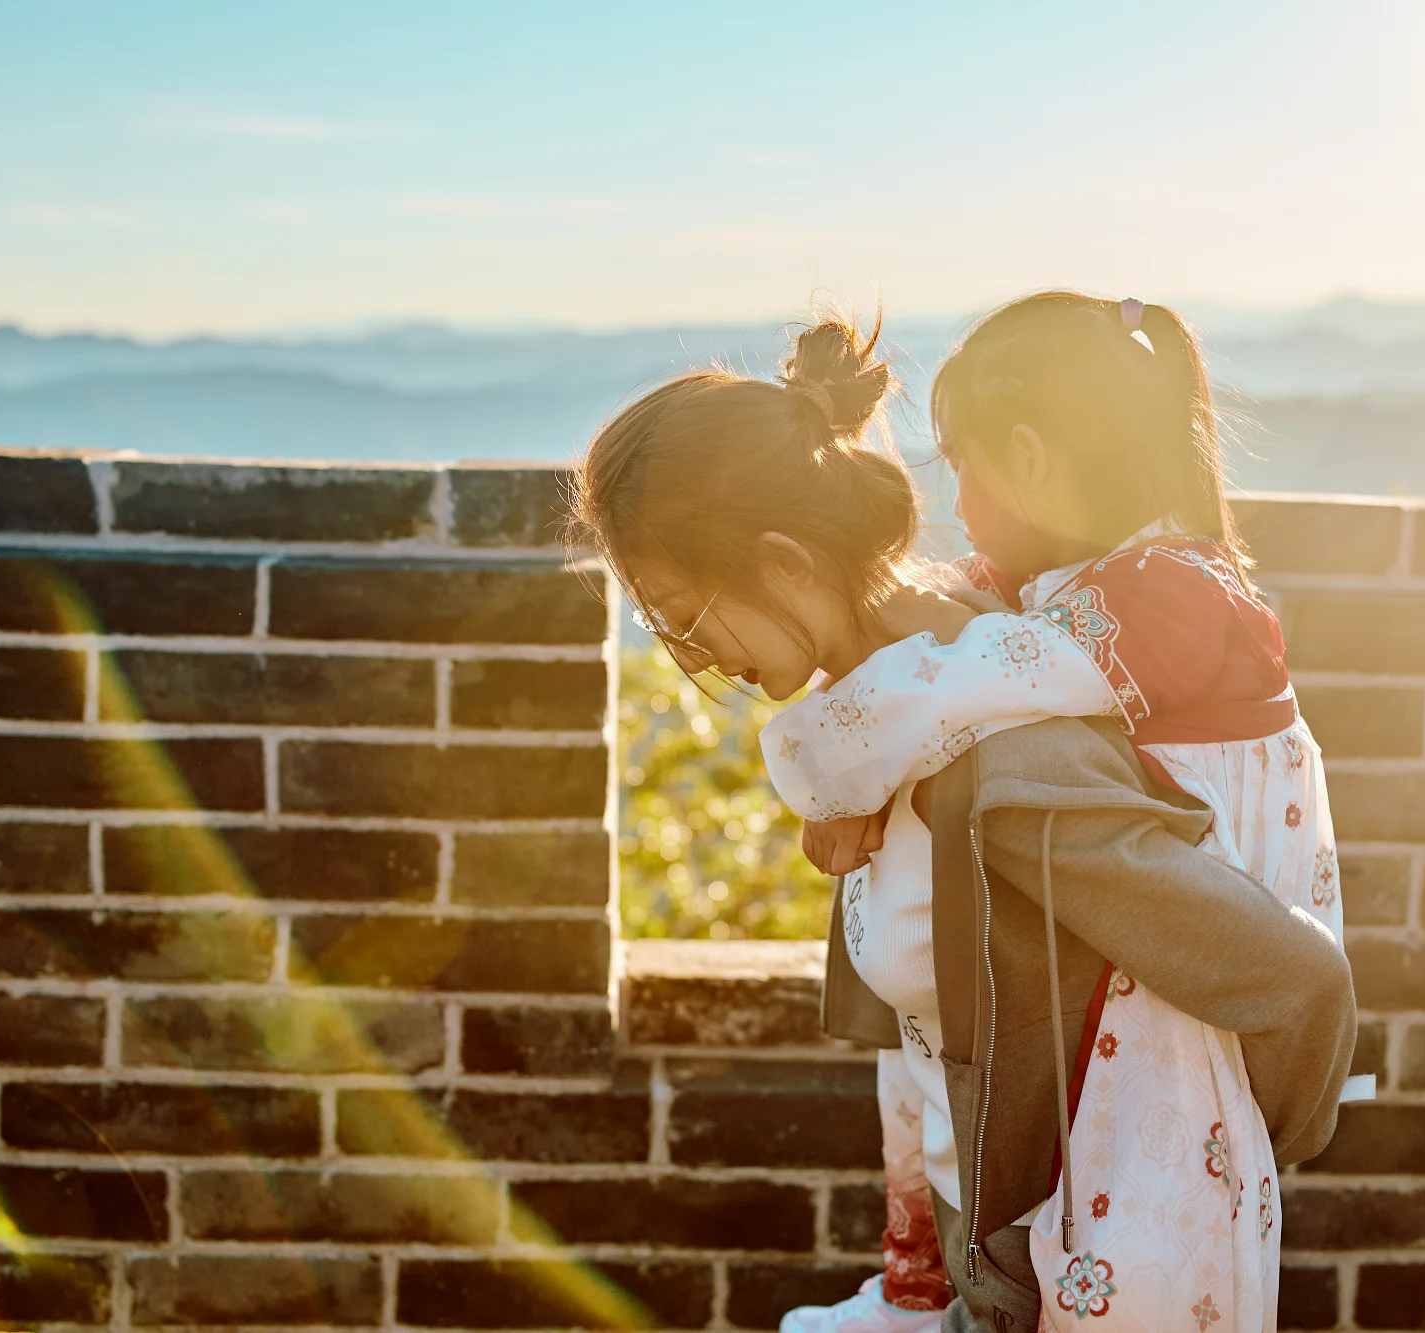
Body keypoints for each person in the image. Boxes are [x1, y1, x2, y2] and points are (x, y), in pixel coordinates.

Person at [566, 312, 1357, 1333]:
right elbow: (960, 630)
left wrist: (1251, 1130)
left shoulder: (1124, 637)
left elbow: (1291, 978)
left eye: (677, 613)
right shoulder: (1024, 630)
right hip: (1043, 1250)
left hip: (1137, 1228)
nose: (690, 653)